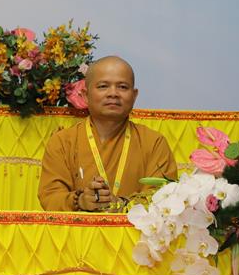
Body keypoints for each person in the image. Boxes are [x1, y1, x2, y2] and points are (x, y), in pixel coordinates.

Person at [38, 56, 177, 211]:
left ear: (134, 96)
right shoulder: (63, 142)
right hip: (78, 227)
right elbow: (50, 196)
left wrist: (121, 205)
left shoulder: (153, 142)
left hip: (132, 227)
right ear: (85, 95)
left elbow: (165, 196)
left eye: (122, 87)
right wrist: (80, 200)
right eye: (103, 86)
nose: (113, 93)